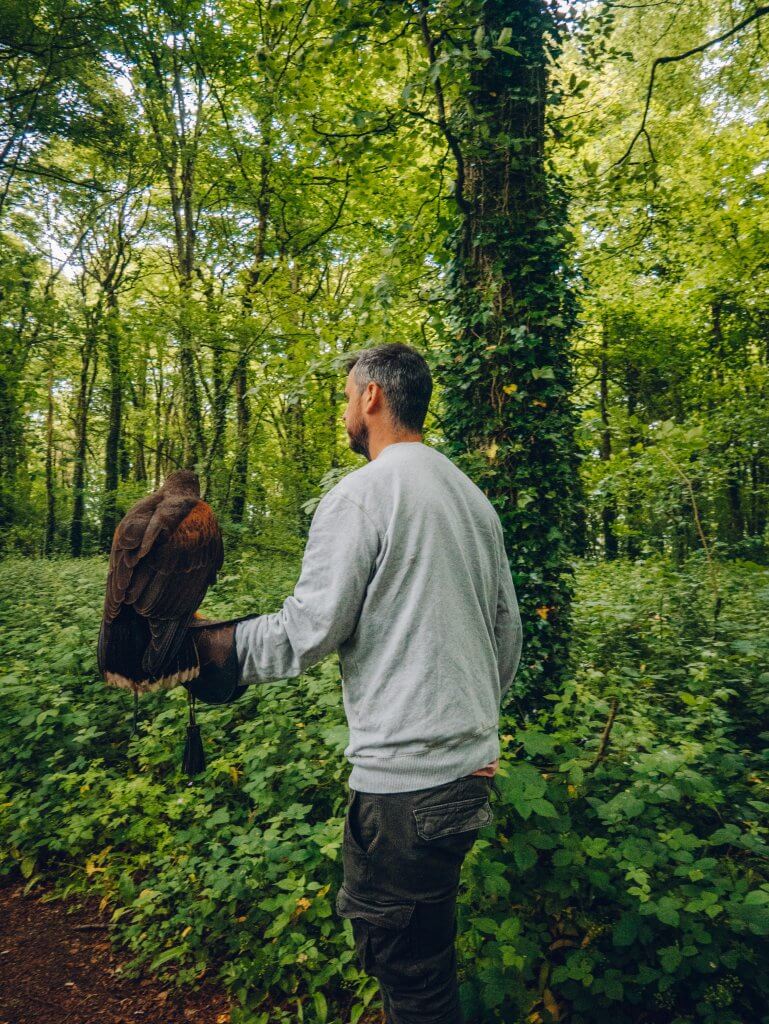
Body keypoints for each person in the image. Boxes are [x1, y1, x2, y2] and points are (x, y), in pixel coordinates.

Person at [187, 342, 524, 1024]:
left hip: (404, 786)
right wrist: (476, 728)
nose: (345, 410)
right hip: (464, 775)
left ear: (371, 396)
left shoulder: (365, 493)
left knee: (411, 977)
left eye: (346, 396)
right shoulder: (469, 497)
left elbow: (309, 629)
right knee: (425, 958)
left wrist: (206, 650)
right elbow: (506, 632)